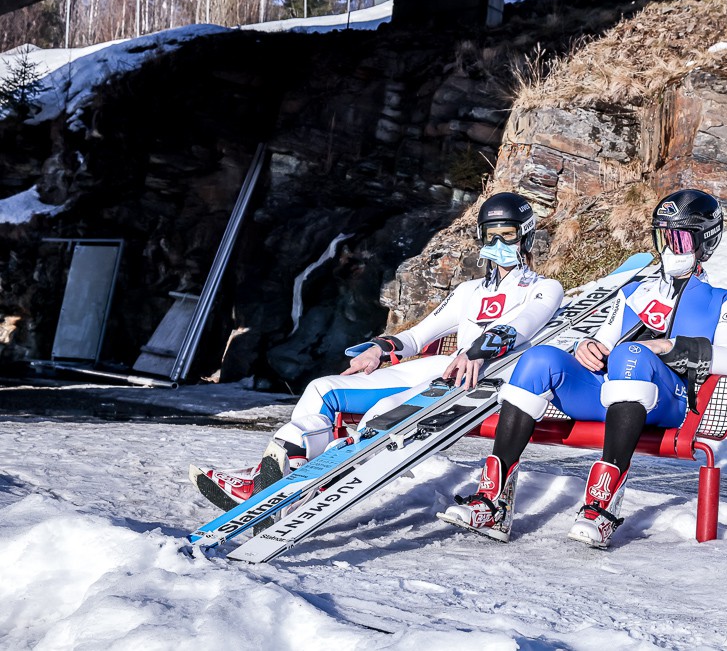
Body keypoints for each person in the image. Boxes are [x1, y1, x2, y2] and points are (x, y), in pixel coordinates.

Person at [192, 192, 564, 507]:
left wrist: (477, 351)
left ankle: (302, 481)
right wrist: (380, 348)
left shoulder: (545, 288)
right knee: (323, 388)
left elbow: (520, 326)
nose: (498, 245)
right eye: (490, 235)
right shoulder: (470, 291)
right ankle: (275, 476)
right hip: (449, 369)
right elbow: (417, 336)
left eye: (508, 235)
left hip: (489, 381)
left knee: (381, 416)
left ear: (526, 237)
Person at [440, 188, 727, 547]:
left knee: (631, 355)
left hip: (669, 402)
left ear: (705, 242)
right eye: (663, 238)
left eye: (679, 240)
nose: (668, 250)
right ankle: (493, 503)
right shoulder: (634, 292)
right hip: (613, 392)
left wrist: (666, 346)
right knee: (539, 359)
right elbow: (601, 341)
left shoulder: (723, 300)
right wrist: (587, 347)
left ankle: (600, 509)